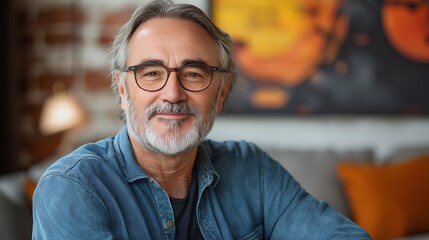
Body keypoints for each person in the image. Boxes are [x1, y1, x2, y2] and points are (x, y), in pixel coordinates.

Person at [32, 0, 372, 239]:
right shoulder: (73, 188)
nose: (173, 93)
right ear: (122, 90)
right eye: (151, 73)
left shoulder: (253, 169)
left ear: (221, 93)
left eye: (193, 74)